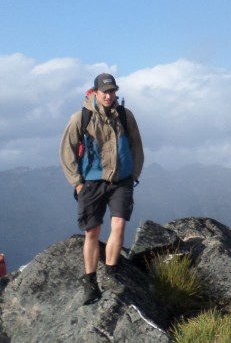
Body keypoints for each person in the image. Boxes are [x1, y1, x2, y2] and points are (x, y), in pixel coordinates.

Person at [59, 73, 144, 305]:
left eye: (112, 91)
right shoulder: (82, 117)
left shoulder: (125, 116)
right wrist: (77, 182)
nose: (109, 96)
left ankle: (111, 273)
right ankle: (90, 282)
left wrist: (133, 174)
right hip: (92, 181)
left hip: (120, 180)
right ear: (95, 92)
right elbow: (67, 149)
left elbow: (136, 144)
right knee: (92, 232)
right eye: (104, 92)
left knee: (118, 224)